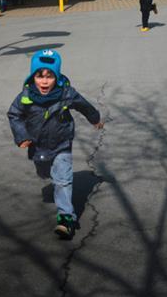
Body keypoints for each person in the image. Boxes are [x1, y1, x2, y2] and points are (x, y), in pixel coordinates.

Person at [7, 49, 103, 240]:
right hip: (37, 144)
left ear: (57, 77)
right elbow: (14, 115)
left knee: (63, 180)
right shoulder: (25, 96)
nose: (44, 81)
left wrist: (95, 118)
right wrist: (22, 136)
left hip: (62, 142)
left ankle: (66, 218)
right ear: (32, 76)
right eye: (39, 76)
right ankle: (49, 173)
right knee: (45, 172)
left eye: (49, 76)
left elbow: (84, 105)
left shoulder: (66, 93)